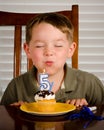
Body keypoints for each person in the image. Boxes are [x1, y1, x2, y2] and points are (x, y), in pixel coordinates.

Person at [1, 13, 104, 107]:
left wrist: (88, 111)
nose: (49, 52)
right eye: (39, 46)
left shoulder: (90, 84)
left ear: (70, 50)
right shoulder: (16, 87)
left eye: (58, 45)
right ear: (28, 50)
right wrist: (13, 114)